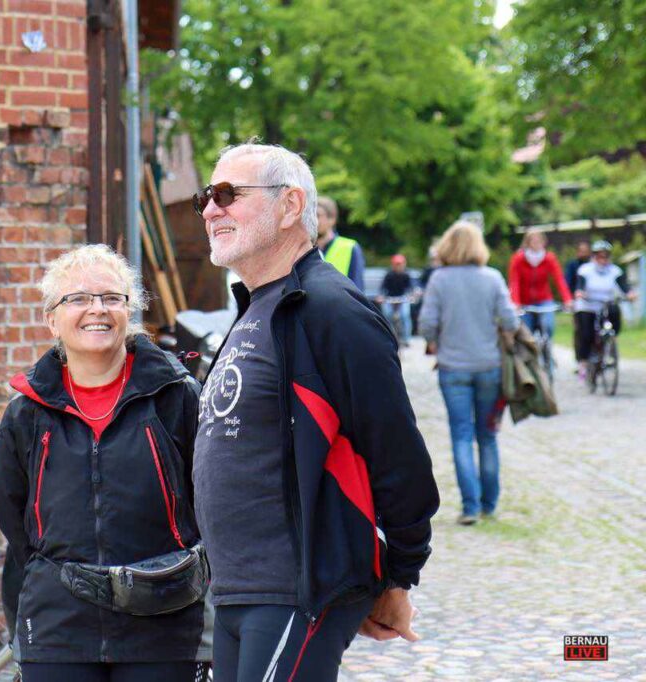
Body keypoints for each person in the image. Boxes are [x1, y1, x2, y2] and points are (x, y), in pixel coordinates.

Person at [193, 142, 439, 682]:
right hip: (237, 591)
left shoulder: (331, 309)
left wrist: (398, 575)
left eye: (229, 195)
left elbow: (397, 453)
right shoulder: (259, 307)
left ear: (289, 206)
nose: (211, 209)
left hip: (297, 587)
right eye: (207, 197)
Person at [0, 244, 207, 682]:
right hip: (58, 619)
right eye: (79, 299)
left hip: (160, 612)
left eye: (112, 298)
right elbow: (10, 506)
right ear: (52, 318)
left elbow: (207, 496)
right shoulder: (27, 411)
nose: (97, 310)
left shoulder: (175, 394)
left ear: (131, 313)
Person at [418, 221, 519, 526]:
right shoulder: (492, 278)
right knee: (487, 436)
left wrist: (436, 342)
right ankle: (490, 503)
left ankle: (470, 506)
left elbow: (425, 324)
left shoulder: (439, 280)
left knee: (461, 435)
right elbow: (511, 320)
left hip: (453, 370)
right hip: (490, 367)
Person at [573, 240, 639, 378]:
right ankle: (583, 363)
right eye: (600, 256)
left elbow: (623, 286)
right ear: (594, 256)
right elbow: (580, 285)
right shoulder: (585, 270)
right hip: (588, 304)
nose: (603, 259)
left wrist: (630, 294)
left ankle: (609, 346)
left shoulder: (615, 270)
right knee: (586, 334)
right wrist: (580, 292)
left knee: (615, 313)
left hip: (606, 303)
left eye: (606, 256)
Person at [507, 229, 572, 343]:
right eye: (533, 240)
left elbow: (559, 279)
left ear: (543, 242)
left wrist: (567, 299)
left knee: (548, 326)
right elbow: (514, 282)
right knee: (526, 335)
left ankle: (548, 355)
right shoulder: (518, 259)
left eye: (539, 240)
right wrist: (515, 303)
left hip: (544, 300)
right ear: (527, 242)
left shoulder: (549, 258)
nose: (537, 243)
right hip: (524, 302)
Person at [316, 196, 366, 290]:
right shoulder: (304, 248)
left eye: (317, 215)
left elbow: (358, 291)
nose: (313, 220)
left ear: (332, 219)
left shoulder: (350, 247)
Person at [565, 239, 593, 366]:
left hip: (593, 300)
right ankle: (579, 359)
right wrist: (571, 298)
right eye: (582, 251)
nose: (584, 253)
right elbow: (568, 282)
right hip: (577, 301)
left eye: (586, 251)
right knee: (579, 330)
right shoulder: (573, 265)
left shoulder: (593, 265)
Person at [377, 254, 414, 344]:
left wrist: (411, 295)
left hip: (402, 298)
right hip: (390, 298)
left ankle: (406, 339)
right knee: (387, 315)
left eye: (400, 264)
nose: (398, 266)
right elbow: (383, 288)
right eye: (396, 264)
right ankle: (388, 336)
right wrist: (381, 296)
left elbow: (410, 288)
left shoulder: (406, 275)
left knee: (405, 315)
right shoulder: (389, 275)